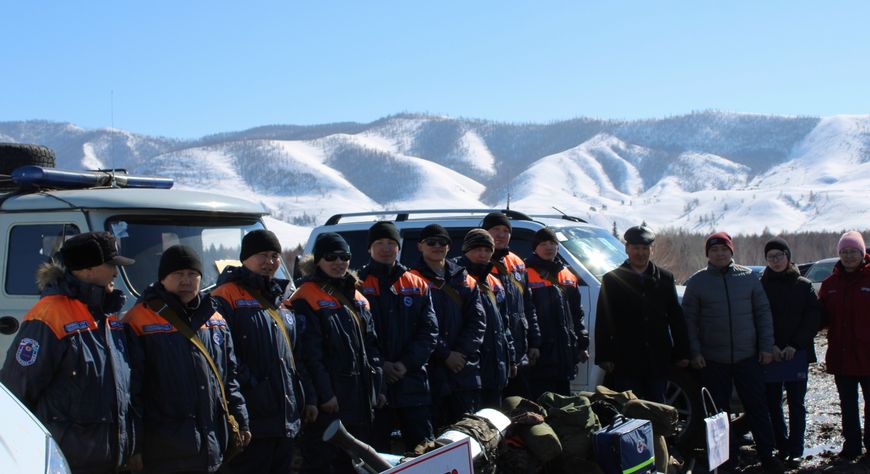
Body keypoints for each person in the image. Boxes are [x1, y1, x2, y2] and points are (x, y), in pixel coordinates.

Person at [0, 231, 142, 474]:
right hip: (68, 462)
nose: (116, 273)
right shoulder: (48, 316)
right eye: (110, 265)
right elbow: (16, 394)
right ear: (87, 270)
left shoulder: (108, 315)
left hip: (112, 461)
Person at [124, 245, 251, 473]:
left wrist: (241, 420)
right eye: (178, 274)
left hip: (213, 443)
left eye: (192, 274)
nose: (186, 281)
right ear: (163, 279)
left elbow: (229, 378)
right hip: (164, 449)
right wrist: (135, 445)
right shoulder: (138, 320)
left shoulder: (216, 319)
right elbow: (132, 391)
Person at [682, 231, 783, 473]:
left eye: (724, 250)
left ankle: (767, 454)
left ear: (731, 252)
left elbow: (763, 313)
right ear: (708, 253)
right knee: (718, 413)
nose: (719, 254)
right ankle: (725, 459)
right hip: (713, 359)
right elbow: (688, 322)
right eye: (714, 250)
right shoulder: (697, 281)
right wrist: (694, 352)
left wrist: (766, 347)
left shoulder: (748, 277)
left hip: (747, 356)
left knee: (758, 407)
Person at [289, 232, 384, 473]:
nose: (338, 262)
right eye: (331, 257)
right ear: (318, 260)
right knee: (323, 463)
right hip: (330, 402)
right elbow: (309, 355)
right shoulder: (305, 297)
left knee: (356, 465)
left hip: (360, 398)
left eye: (344, 257)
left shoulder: (358, 297)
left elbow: (372, 346)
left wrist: (378, 385)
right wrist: (324, 395)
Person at [210, 229, 302, 474]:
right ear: (245, 258)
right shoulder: (224, 296)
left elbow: (292, 353)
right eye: (262, 255)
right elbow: (224, 357)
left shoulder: (282, 298)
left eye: (275, 255)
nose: (270, 262)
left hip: (284, 415)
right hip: (253, 414)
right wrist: (254, 385)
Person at [357, 221, 439, 452]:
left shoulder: (417, 283)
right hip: (375, 386)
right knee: (375, 455)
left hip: (413, 383)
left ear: (399, 247)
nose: (386, 248)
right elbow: (357, 335)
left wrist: (405, 364)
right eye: (379, 243)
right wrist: (382, 365)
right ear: (369, 248)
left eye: (391, 243)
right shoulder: (357, 284)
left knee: (424, 451)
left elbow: (430, 331)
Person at [595, 225, 689, 403]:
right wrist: (604, 356)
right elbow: (604, 320)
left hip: (657, 358)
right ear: (627, 248)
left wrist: (682, 352)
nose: (640, 253)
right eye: (636, 248)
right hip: (626, 358)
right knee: (630, 410)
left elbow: (676, 317)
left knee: (658, 408)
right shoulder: (612, 279)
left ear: (651, 250)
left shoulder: (665, 278)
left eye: (645, 248)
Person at [409, 224, 486, 429]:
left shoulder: (464, 277)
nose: (437, 246)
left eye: (442, 242)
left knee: (467, 435)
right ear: (419, 246)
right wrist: (445, 354)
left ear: (449, 247)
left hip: (464, 372)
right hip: (430, 373)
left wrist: (460, 353)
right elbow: (415, 326)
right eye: (431, 242)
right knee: (433, 442)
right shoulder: (410, 279)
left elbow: (477, 321)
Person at [760, 237, 820, 466]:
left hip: (797, 353)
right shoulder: (761, 285)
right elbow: (758, 318)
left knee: (797, 402)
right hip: (771, 353)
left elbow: (813, 318)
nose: (775, 261)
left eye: (779, 256)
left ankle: (796, 447)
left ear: (788, 257)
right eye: (771, 257)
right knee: (772, 402)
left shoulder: (803, 285)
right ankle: (781, 445)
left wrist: (795, 345)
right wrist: (770, 345)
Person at [819, 231, 870, 459]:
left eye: (853, 251)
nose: (848, 256)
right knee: (847, 404)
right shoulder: (830, 284)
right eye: (844, 252)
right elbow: (819, 317)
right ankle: (851, 446)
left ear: (862, 253)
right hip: (841, 355)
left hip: (868, 355)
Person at [523, 228, 589, 400]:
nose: (549, 247)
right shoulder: (525, 273)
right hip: (540, 354)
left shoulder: (567, 275)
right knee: (540, 402)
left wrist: (582, 343)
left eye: (552, 243)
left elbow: (577, 313)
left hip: (565, 354)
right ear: (535, 248)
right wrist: (533, 344)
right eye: (543, 244)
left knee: (563, 405)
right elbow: (524, 313)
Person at [482, 212, 540, 398]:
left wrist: (534, 341)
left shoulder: (517, 262)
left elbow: (527, 305)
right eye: (495, 229)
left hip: (518, 348)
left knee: (520, 406)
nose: (501, 234)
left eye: (506, 230)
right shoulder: (476, 260)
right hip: (489, 351)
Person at [456, 228, 516, 408]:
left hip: (495, 366)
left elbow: (504, 323)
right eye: (477, 249)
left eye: (487, 250)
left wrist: (511, 357)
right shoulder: (457, 278)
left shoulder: (493, 281)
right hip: (469, 366)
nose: (482, 254)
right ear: (466, 250)